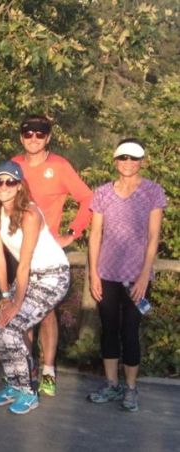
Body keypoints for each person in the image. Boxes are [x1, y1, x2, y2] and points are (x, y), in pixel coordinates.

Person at [11, 114, 93, 397]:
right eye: (28, 133)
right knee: (21, 310)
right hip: (19, 251)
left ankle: (48, 369)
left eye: (40, 134)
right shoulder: (15, 165)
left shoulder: (59, 166)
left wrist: (72, 232)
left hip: (47, 253)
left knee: (45, 314)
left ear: (48, 137)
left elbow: (88, 199)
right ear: (22, 137)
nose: (33, 138)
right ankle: (27, 366)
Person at [0, 161, 69, 415]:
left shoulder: (30, 214)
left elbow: (25, 261)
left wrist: (16, 303)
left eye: (10, 181)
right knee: (1, 327)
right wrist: (5, 296)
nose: (4, 187)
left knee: (13, 325)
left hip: (53, 275)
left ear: (19, 186)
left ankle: (28, 392)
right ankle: (14, 385)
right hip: (28, 275)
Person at [87, 139, 165, 412]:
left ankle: (131, 388)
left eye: (134, 158)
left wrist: (145, 276)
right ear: (115, 160)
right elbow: (95, 234)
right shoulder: (103, 193)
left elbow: (154, 236)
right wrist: (93, 273)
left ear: (142, 161)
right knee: (109, 329)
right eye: (123, 158)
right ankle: (111, 384)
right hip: (106, 274)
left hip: (136, 277)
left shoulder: (153, 192)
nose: (128, 163)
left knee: (130, 331)